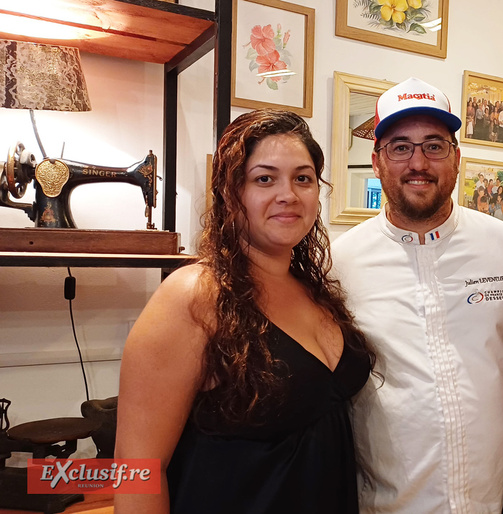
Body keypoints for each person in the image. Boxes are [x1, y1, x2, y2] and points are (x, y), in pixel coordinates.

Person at [115, 110, 375, 514]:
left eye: (303, 178)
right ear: (230, 192)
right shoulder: (193, 295)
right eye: (264, 178)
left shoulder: (314, 288)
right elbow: (138, 471)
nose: (288, 194)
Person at [331, 77, 503, 513]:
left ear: (457, 158)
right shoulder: (339, 264)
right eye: (400, 147)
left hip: (499, 501)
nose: (417, 162)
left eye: (434, 146)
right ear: (377, 161)